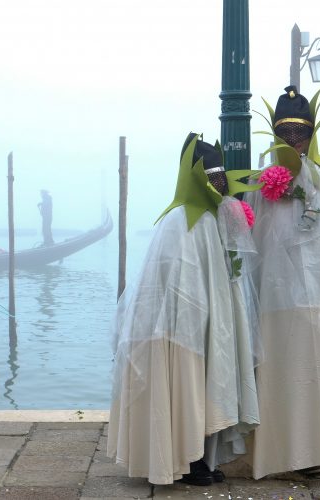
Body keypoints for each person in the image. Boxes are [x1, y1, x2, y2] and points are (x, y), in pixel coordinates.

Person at [107, 133, 262, 486]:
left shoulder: (214, 217)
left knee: (207, 384)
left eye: (222, 176)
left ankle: (203, 456)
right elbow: (169, 287)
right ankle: (184, 459)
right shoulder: (179, 221)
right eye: (211, 176)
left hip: (204, 327)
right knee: (187, 387)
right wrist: (190, 324)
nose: (219, 183)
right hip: (175, 333)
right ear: (193, 177)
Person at [247, 86, 320, 479]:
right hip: (276, 294)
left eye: (299, 134)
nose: (292, 142)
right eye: (284, 135)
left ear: (312, 134)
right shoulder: (260, 185)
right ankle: (291, 456)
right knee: (286, 379)